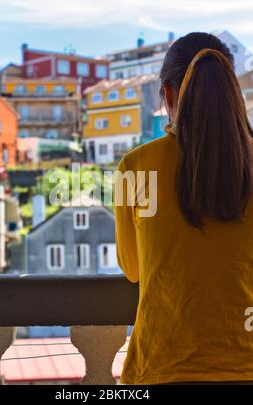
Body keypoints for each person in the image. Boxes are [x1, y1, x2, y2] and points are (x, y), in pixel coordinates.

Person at [114, 32, 253, 385]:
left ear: (168, 93)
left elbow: (133, 268)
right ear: (229, 90)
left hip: (162, 366)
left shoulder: (136, 166)